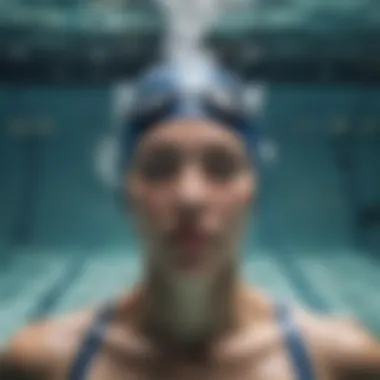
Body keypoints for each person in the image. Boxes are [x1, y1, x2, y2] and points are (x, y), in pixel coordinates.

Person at [1, 63, 379, 380]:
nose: (190, 197)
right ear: (124, 193)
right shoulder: (41, 363)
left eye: (221, 167)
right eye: (159, 168)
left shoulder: (342, 362)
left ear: (255, 193)